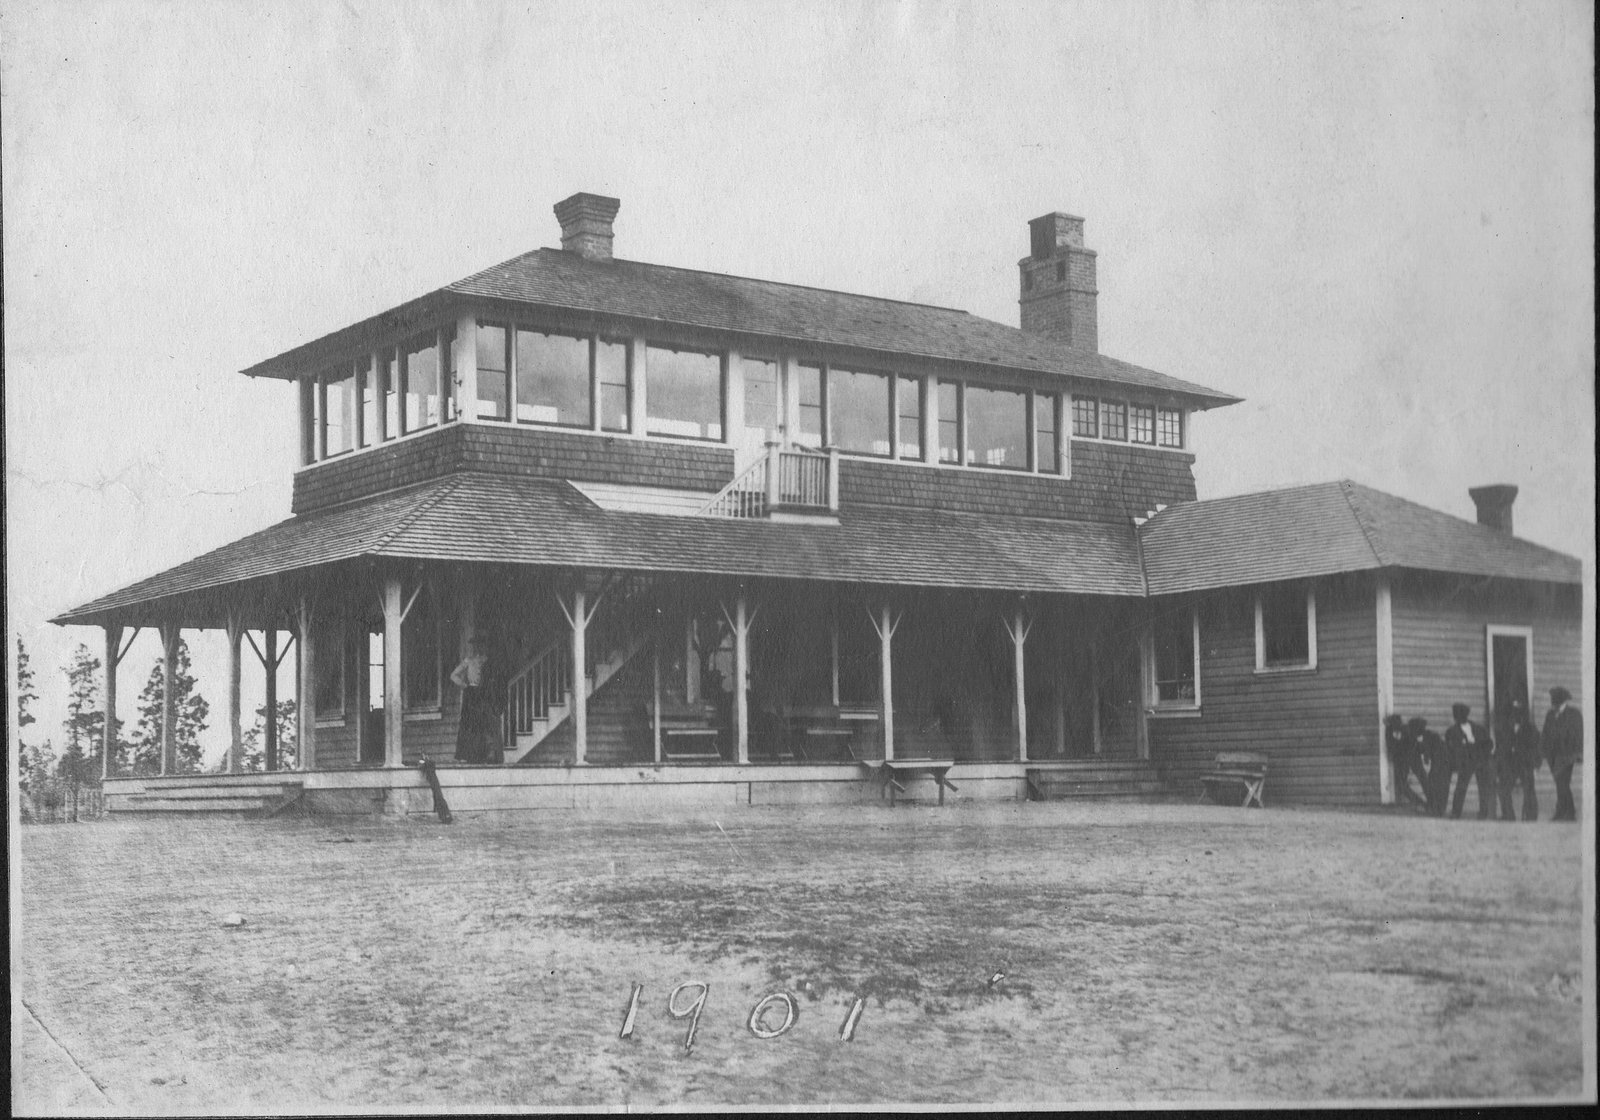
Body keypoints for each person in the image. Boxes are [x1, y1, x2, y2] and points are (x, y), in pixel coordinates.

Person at [451, 634, 498, 764]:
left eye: (481, 644)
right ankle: (466, 754)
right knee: (469, 723)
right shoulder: (468, 660)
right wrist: (464, 685)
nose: (478, 647)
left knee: (483, 722)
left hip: (484, 693)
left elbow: (493, 678)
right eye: (476, 645)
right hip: (471, 693)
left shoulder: (487, 661)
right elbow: (453, 675)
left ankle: (484, 754)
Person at [1444, 702, 1494, 820]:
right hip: (1466, 762)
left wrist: (1483, 754)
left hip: (1481, 760)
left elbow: (1489, 744)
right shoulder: (1451, 731)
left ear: (1466, 715)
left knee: (1483, 787)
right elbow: (1450, 748)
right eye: (1456, 715)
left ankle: (1483, 812)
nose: (1458, 718)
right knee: (1461, 786)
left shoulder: (1479, 729)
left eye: (1460, 715)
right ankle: (1456, 812)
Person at [1493, 698, 1540, 822]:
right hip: (1510, 764)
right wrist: (1498, 767)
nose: (1514, 715)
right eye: (1512, 712)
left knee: (1529, 789)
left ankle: (1531, 816)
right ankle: (1508, 815)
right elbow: (1500, 749)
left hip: (1526, 764)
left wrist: (1536, 766)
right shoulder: (1504, 729)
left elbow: (1537, 749)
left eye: (1517, 712)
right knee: (1503, 788)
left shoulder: (1530, 729)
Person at [1542, 686, 1581, 822]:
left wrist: (1577, 753)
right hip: (1553, 756)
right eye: (1554, 703)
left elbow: (1578, 735)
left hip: (1567, 755)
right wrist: (1544, 752)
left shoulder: (1574, 714)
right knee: (1560, 783)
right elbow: (1545, 734)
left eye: (1558, 703)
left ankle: (1568, 812)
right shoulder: (1550, 714)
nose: (1555, 706)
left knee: (1563, 782)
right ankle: (1563, 811)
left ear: (1564, 702)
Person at [1384, 714, 1427, 808]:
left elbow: (1414, 745)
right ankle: (1419, 802)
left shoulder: (1407, 730)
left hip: (1413, 758)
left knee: (1423, 779)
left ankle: (1432, 802)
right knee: (1401, 784)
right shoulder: (1389, 731)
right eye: (1393, 724)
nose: (1396, 726)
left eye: (1398, 723)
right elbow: (1391, 745)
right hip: (1401, 761)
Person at [1408, 716, 1447, 817]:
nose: (1415, 731)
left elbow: (1439, 751)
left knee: (1435, 783)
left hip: (1436, 763)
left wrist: (1431, 762)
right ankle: (1432, 806)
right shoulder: (1411, 738)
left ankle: (1439, 808)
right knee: (1426, 783)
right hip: (1419, 764)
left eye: (1418, 728)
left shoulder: (1433, 736)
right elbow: (1412, 753)